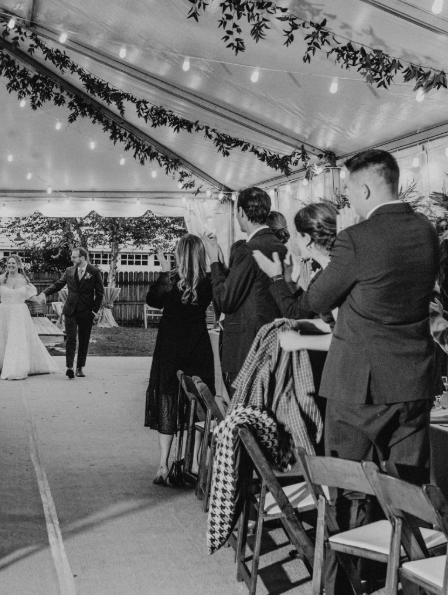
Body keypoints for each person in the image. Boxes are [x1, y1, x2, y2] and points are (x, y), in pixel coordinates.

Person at [268, 150, 439, 486]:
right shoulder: (425, 230)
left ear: (364, 191)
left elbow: (314, 300)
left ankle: (349, 540)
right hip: (415, 380)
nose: (347, 198)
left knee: (350, 488)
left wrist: (347, 240)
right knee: (407, 486)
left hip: (360, 387)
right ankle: (401, 539)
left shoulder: (356, 237)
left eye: (348, 190)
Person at [145, 234, 215, 485]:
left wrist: (164, 272)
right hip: (197, 345)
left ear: (179, 253)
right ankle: (194, 463)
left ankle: (163, 464)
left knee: (167, 398)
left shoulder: (171, 279)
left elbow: (152, 300)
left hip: (171, 346)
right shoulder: (208, 282)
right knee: (199, 402)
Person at [210, 187, 287, 397]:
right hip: (273, 341)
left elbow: (225, 300)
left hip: (246, 347)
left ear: (242, 212)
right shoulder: (278, 245)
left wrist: (215, 263)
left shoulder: (249, 249)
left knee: (244, 414)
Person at [254, 202, 339, 390]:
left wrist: (299, 341)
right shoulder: (326, 272)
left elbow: (345, 336)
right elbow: (326, 320)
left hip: (339, 373)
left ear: (307, 239)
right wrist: (297, 322)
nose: (294, 240)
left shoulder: (335, 276)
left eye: (297, 235)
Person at [0, 255, 60, 380]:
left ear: (19, 265)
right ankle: (2, 364)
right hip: (4, 313)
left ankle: (16, 367)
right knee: (2, 339)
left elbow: (31, 296)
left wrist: (42, 298)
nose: (10, 265)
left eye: (13, 263)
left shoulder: (25, 280)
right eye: (9, 263)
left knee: (17, 340)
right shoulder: (1, 278)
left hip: (19, 314)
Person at [40, 247, 104, 378]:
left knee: (84, 340)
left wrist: (94, 311)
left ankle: (79, 368)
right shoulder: (69, 271)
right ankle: (69, 367)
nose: (71, 259)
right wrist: (44, 293)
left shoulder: (94, 271)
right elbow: (58, 284)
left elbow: (100, 293)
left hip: (87, 312)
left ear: (82, 258)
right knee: (70, 339)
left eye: (74, 257)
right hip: (70, 310)